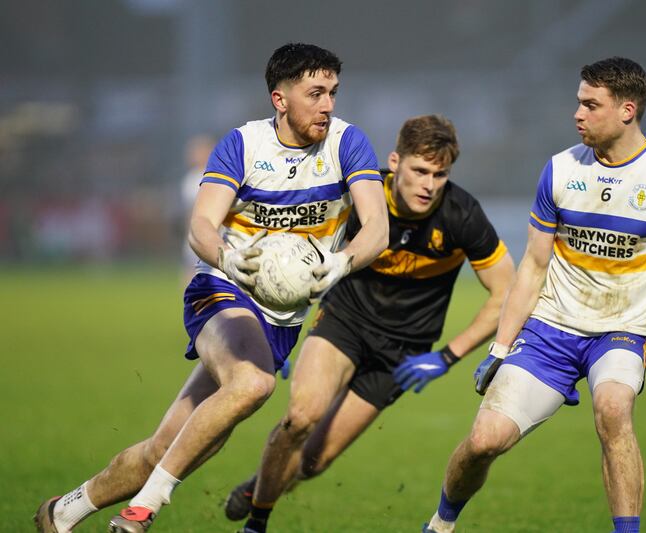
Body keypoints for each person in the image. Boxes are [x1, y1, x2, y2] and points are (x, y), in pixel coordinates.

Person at [34, 42, 388, 533]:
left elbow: (378, 227)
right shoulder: (243, 145)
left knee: (167, 446)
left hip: (280, 321)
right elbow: (200, 223)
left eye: (333, 92)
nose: (328, 105)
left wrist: (342, 263)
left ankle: (62, 512)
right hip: (222, 288)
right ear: (279, 99)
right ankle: (146, 508)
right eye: (315, 93)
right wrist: (226, 256)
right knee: (253, 384)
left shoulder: (348, 144)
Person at [422, 57, 646, 533]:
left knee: (613, 408)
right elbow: (534, 266)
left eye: (590, 104)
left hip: (620, 332)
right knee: (483, 441)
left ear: (627, 110)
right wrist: (500, 347)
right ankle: (440, 524)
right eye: (578, 102)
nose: (577, 113)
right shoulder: (561, 170)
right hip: (550, 330)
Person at [223, 114, 515, 533]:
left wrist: (447, 356)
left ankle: (261, 486)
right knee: (301, 417)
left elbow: (506, 291)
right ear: (395, 161)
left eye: (440, 174)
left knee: (314, 462)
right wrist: (275, 330)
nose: (429, 184)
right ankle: (257, 524)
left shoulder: (461, 214)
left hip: (400, 353)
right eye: (419, 170)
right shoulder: (361, 196)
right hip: (344, 322)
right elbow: (285, 254)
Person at [178, 134, 216, 283]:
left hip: (214, 233)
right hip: (196, 232)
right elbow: (189, 212)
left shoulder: (216, 175)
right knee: (190, 272)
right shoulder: (191, 179)